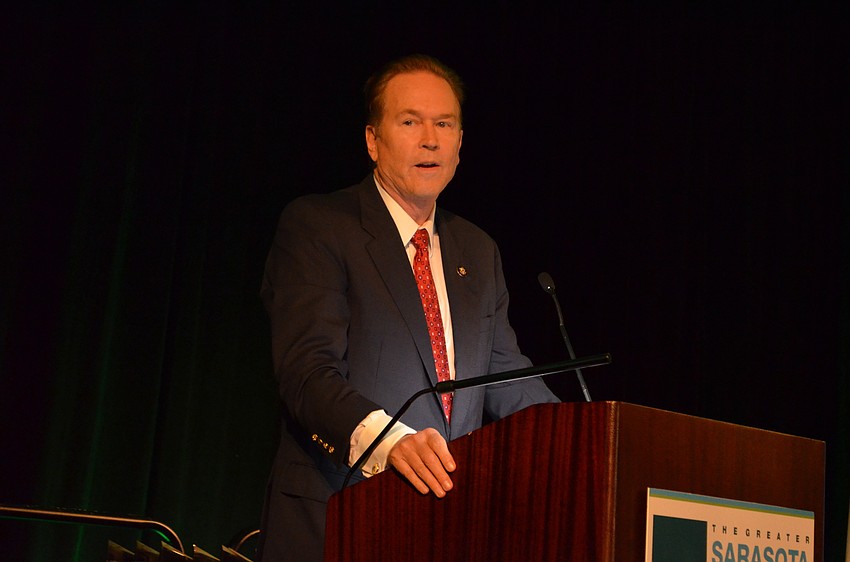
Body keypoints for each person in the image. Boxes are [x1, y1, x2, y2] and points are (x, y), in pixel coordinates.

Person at [257, 53, 559, 562]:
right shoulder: (319, 225)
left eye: (444, 123)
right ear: (373, 140)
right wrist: (391, 441)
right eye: (410, 122)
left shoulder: (477, 251)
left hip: (442, 531)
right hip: (338, 517)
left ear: (460, 142)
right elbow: (307, 373)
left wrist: (587, 440)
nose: (430, 139)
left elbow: (507, 380)